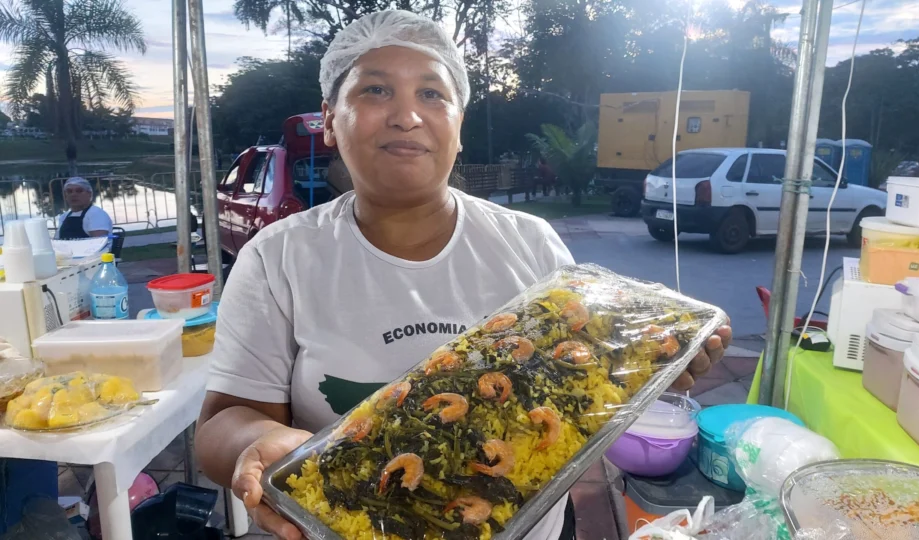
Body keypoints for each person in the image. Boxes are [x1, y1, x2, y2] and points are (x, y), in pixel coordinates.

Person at [194, 11, 732, 540]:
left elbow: (587, 379)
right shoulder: (278, 257)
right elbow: (223, 421)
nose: (407, 116)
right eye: (376, 91)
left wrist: (648, 365)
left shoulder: (529, 242)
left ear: (458, 127)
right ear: (330, 120)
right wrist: (257, 440)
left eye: (432, 94)